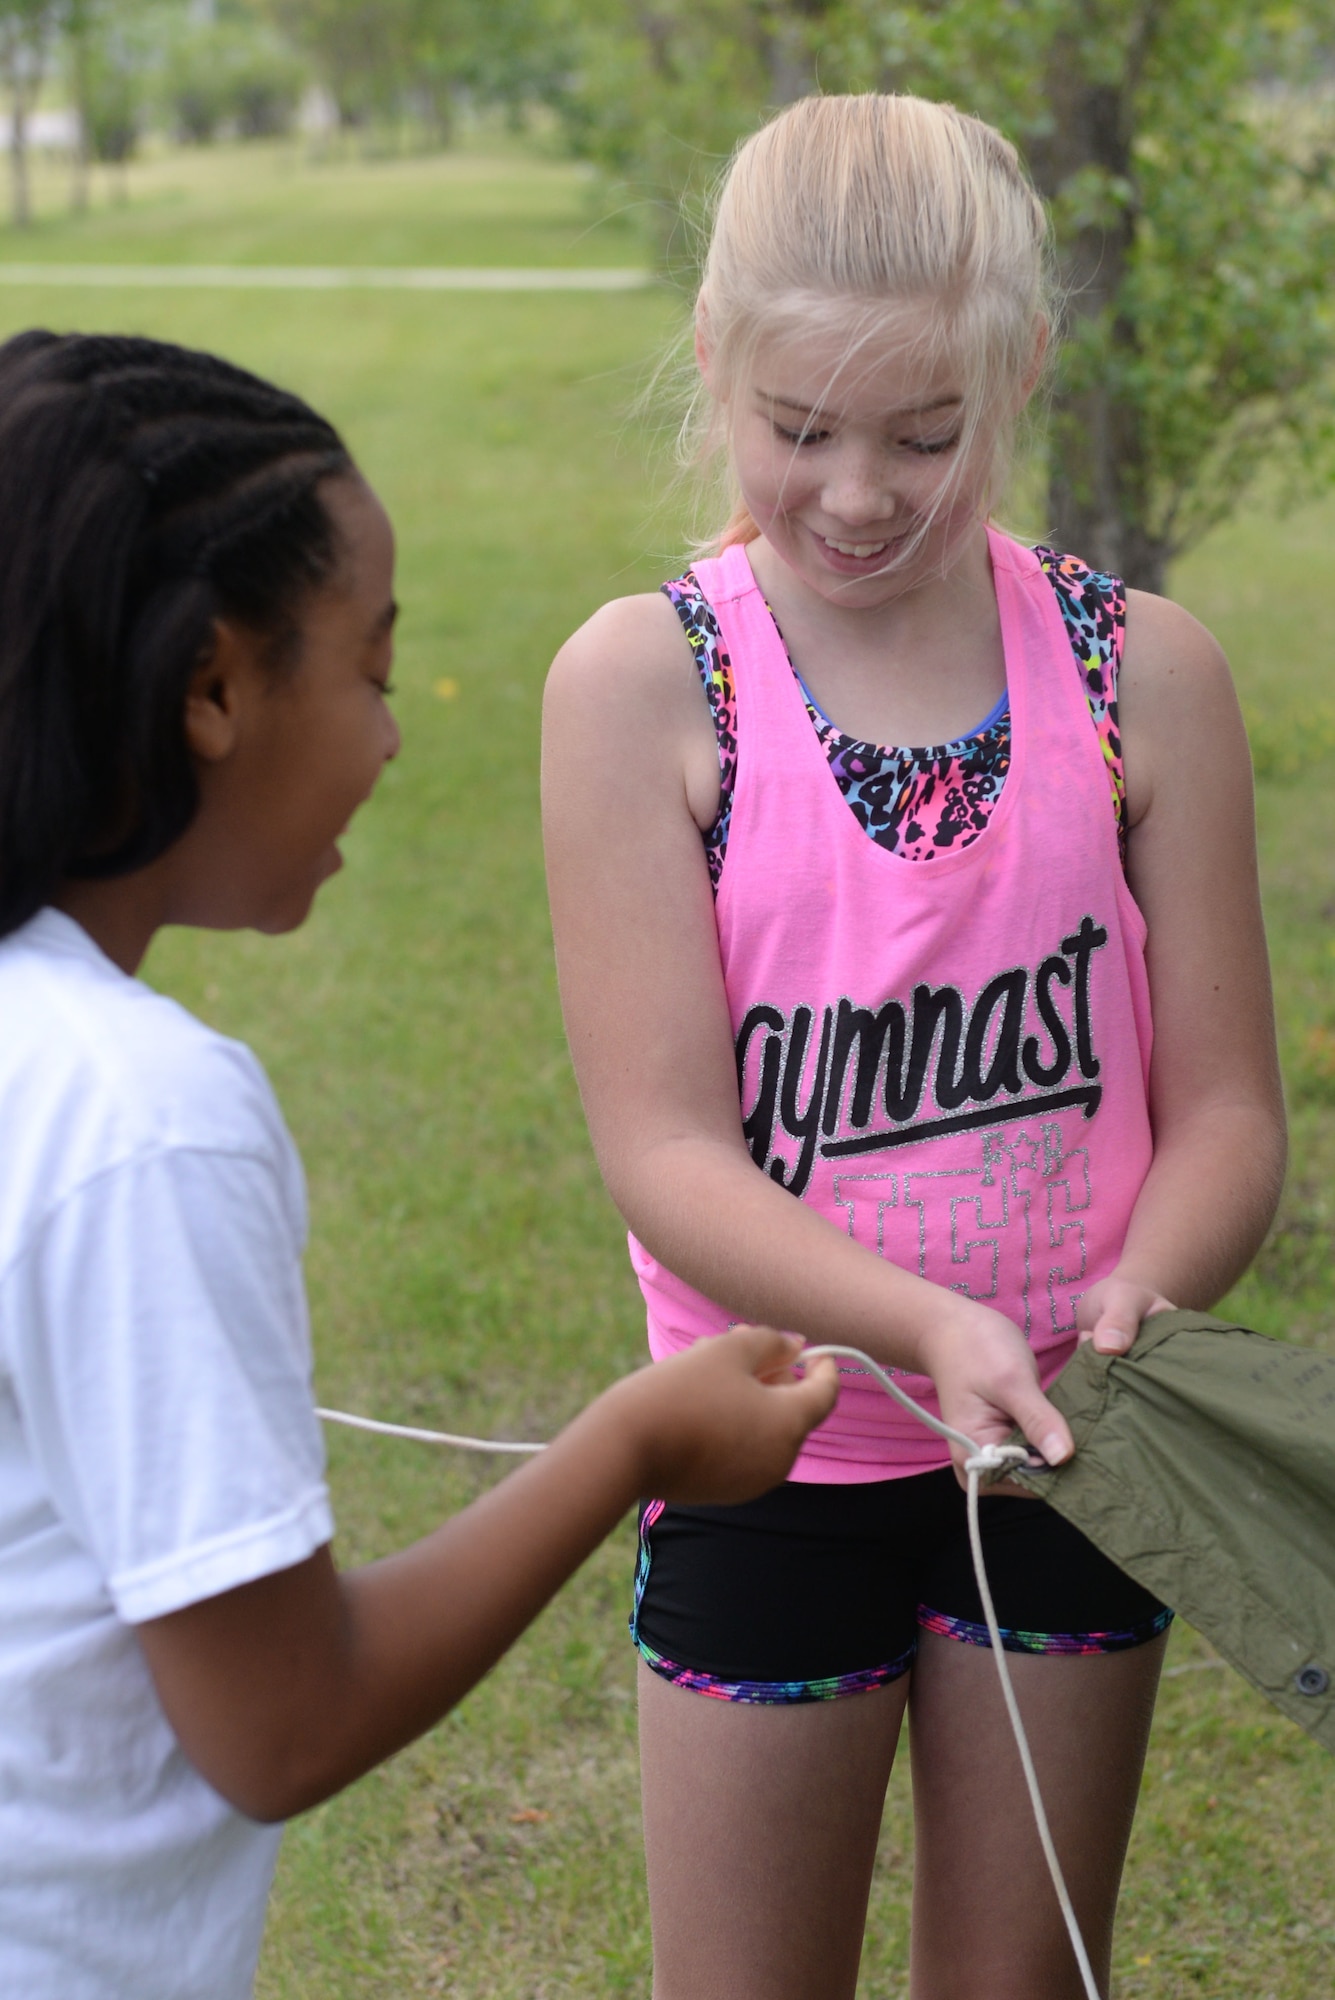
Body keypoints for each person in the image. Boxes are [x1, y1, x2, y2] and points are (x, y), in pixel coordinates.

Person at [542, 93, 1286, 2000]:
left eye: (926, 437)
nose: (860, 492)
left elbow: (1224, 1114)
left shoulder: (1143, 674)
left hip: (1063, 1456)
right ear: (714, 365)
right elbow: (667, 1152)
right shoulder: (646, 686)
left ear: (1020, 375)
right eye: (798, 432)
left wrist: (1132, 1300)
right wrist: (915, 1322)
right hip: (770, 1456)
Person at [0, 329, 840, 2000]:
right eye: (369, 670)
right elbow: (282, 1723)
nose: (391, 737)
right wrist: (635, 1443)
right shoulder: (134, 1118)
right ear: (217, 688)